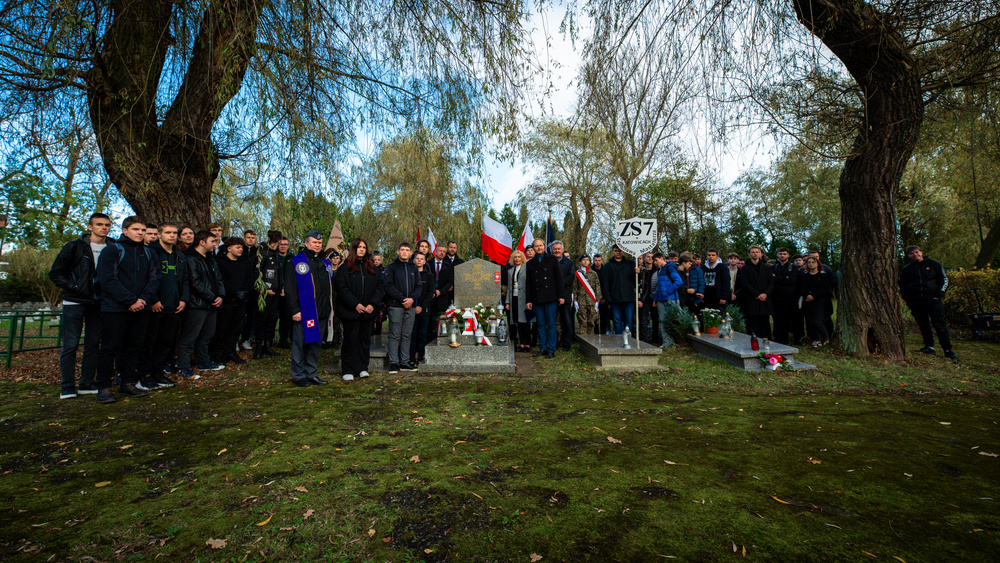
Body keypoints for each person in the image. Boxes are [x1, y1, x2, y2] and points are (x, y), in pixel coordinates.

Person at [93, 216, 160, 404]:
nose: (140, 233)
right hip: (115, 309)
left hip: (141, 309)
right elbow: (108, 280)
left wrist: (143, 300)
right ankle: (104, 386)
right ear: (125, 231)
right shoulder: (112, 250)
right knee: (109, 348)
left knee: (134, 347)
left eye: (143, 230)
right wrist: (130, 300)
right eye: (136, 229)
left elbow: (154, 279)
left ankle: (128, 382)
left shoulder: (148, 252)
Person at [49, 213, 112, 399]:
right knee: (70, 345)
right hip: (75, 302)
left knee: (93, 344)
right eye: (99, 224)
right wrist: (76, 288)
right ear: (90, 227)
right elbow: (56, 274)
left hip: (99, 303)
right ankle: (67, 386)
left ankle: (86, 382)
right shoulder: (74, 247)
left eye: (107, 225)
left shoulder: (113, 247)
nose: (104, 228)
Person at [139, 221, 188, 390]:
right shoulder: (150, 252)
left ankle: (159, 374)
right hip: (155, 305)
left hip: (174, 305)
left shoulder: (179, 256)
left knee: (166, 343)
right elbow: (145, 278)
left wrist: (183, 299)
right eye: (168, 232)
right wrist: (153, 300)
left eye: (174, 232)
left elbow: (185, 280)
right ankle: (146, 376)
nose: (172, 236)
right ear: (159, 235)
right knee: (150, 342)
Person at [285, 230, 334, 387]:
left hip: (322, 311)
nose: (317, 245)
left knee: (315, 344)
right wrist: (295, 310)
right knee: (300, 344)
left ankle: (311, 373)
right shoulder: (296, 262)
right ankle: (298, 375)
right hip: (304, 312)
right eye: (314, 242)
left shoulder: (325, 263)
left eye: (319, 243)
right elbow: (290, 289)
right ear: (306, 243)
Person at [176, 230, 225, 379]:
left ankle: (204, 362)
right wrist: (211, 297)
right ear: (202, 242)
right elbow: (194, 282)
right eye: (212, 241)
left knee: (206, 336)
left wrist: (221, 296)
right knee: (190, 337)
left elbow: (219, 279)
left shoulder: (211, 259)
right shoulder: (190, 258)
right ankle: (183, 367)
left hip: (212, 304)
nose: (215, 244)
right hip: (197, 304)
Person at [335, 238, 385, 381]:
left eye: (364, 247)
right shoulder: (345, 268)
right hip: (351, 312)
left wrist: (372, 304)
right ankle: (348, 369)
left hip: (368, 312)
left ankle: (362, 367)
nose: (362, 249)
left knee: (364, 340)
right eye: (359, 247)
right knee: (350, 340)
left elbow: (379, 287)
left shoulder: (372, 268)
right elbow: (342, 289)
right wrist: (355, 304)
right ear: (354, 249)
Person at [900, 245, 957, 359]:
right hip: (916, 302)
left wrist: (939, 294)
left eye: (916, 252)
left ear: (921, 252)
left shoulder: (933, 264)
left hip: (933, 300)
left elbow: (943, 279)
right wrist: (908, 300)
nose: (915, 255)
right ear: (908, 255)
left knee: (940, 325)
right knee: (923, 325)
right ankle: (929, 347)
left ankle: (947, 350)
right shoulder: (907, 269)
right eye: (912, 253)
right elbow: (903, 286)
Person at [212, 237, 253, 366]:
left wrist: (245, 292)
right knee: (223, 328)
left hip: (241, 302)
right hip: (227, 301)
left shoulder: (243, 263)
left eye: (241, 247)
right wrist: (235, 292)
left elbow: (249, 279)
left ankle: (231, 352)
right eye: (238, 247)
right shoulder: (221, 262)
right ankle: (219, 354)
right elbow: (221, 280)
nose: (241, 249)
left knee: (236, 328)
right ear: (229, 249)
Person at [383, 242, 421, 374]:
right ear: (398, 252)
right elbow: (388, 286)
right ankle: (393, 362)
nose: (405, 252)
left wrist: (412, 299)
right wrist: (402, 299)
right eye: (402, 250)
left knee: (406, 335)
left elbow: (418, 287)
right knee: (394, 334)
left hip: (410, 306)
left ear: (411, 253)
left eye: (407, 250)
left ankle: (404, 361)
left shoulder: (414, 269)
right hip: (396, 305)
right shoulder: (391, 268)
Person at [525, 238, 563, 359]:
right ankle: (543, 348)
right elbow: (529, 283)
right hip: (537, 298)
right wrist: (528, 300)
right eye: (536, 246)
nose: (539, 248)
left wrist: (561, 296)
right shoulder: (530, 263)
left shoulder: (552, 259)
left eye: (541, 245)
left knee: (551, 324)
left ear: (544, 246)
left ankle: (551, 349)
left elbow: (559, 279)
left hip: (551, 297)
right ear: (533, 248)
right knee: (540, 324)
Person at [251, 230, 283, 359]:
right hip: (264, 293)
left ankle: (268, 346)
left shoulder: (276, 254)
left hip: (275, 292)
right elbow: (256, 272)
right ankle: (259, 347)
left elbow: (279, 272)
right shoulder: (262, 251)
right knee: (261, 319)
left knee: (272, 319)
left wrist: (282, 287)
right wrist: (264, 289)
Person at [738, 245, 774, 338]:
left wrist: (765, 294)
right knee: (753, 322)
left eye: (757, 252)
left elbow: (771, 282)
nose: (755, 254)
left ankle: (766, 340)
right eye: (753, 252)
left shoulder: (766, 267)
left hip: (765, 299)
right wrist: (757, 294)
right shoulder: (745, 268)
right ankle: (755, 341)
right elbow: (745, 283)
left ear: (761, 254)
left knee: (765, 322)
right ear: (749, 254)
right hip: (752, 299)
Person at [603, 244, 639, 335]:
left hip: (629, 297)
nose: (618, 252)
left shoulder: (630, 264)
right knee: (617, 321)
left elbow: (637, 282)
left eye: (619, 250)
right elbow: (605, 283)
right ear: (613, 252)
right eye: (615, 251)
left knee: (628, 321)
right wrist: (608, 298)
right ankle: (618, 340)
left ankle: (629, 341)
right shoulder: (607, 266)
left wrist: (638, 273)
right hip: (615, 298)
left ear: (622, 251)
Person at [799, 255, 833, 347]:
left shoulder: (823, 275)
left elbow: (825, 288)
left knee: (817, 321)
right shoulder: (805, 276)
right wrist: (807, 295)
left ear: (818, 264)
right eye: (809, 262)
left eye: (813, 262)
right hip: (808, 300)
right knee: (810, 321)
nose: (811, 264)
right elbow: (802, 288)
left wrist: (814, 295)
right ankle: (816, 339)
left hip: (820, 301)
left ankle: (825, 338)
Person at [652, 252, 684, 347]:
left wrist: (668, 292)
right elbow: (660, 286)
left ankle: (678, 341)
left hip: (671, 299)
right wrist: (655, 298)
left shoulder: (670, 268)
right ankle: (667, 342)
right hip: (661, 300)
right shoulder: (661, 270)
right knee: (662, 320)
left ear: (662, 258)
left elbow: (678, 282)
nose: (655, 263)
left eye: (656, 260)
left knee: (675, 320)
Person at [771, 247, 800, 345]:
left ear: (788, 255)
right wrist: (785, 277)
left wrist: (779, 278)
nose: (782, 256)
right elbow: (772, 280)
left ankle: (797, 339)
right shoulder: (774, 267)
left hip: (791, 297)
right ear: (777, 255)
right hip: (778, 298)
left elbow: (793, 280)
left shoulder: (793, 267)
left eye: (784, 254)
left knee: (794, 319)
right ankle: (782, 339)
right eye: (780, 254)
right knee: (780, 319)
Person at [504, 250, 532, 351]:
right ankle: (521, 344)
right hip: (513, 299)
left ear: (522, 258)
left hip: (524, 298)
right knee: (517, 321)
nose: (517, 259)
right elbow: (509, 288)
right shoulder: (510, 271)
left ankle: (527, 344)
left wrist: (530, 299)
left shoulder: (527, 268)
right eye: (515, 257)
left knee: (525, 321)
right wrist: (507, 301)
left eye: (519, 257)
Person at [410, 251, 434, 363]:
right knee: (412, 333)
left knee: (422, 334)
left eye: (421, 258)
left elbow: (430, 293)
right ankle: (411, 357)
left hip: (424, 309)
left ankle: (421, 356)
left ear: (425, 261)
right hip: (411, 309)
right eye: (417, 258)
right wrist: (414, 306)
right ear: (414, 260)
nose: (419, 260)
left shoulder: (429, 276)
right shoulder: (410, 274)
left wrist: (421, 306)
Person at [551, 241, 576, 351]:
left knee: (566, 321)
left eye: (558, 249)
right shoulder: (549, 261)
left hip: (565, 297)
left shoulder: (569, 263)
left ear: (562, 249)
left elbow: (570, 279)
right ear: (552, 250)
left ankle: (566, 343)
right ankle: (554, 343)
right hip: (551, 297)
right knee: (552, 322)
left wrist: (558, 285)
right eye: (555, 249)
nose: (556, 251)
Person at [427, 245, 454, 345]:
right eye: (440, 251)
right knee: (427, 323)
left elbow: (449, 282)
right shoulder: (428, 264)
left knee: (438, 322)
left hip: (442, 297)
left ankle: (437, 343)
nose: (442, 253)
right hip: (428, 297)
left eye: (444, 251)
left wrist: (440, 291)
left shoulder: (448, 266)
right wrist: (432, 291)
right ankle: (426, 344)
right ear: (435, 252)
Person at [239, 229, 260, 350]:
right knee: (240, 316)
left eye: (253, 237)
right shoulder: (240, 250)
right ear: (244, 238)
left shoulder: (257, 252)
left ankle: (246, 339)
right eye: (248, 237)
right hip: (241, 286)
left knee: (251, 316)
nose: (251, 239)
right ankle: (236, 340)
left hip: (253, 288)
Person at [574, 254, 602, 336]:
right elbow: (575, 288)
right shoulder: (577, 274)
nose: (585, 261)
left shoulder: (593, 273)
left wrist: (597, 301)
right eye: (583, 260)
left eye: (587, 259)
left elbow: (597, 287)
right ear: (580, 262)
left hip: (592, 301)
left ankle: (591, 342)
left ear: (589, 262)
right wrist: (575, 300)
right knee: (583, 322)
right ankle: (583, 344)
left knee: (591, 322)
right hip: (581, 301)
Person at [700, 249, 731, 313]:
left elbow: (726, 283)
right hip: (706, 297)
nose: (711, 257)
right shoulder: (703, 268)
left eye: (713, 255)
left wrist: (724, 297)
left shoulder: (722, 268)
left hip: (718, 297)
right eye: (709, 255)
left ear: (717, 256)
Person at [637, 252, 658, 342]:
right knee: (643, 319)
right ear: (644, 258)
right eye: (648, 257)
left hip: (654, 297)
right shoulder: (641, 270)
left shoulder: (657, 269)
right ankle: (642, 337)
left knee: (655, 319)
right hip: (644, 298)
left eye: (651, 257)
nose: (650, 258)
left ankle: (655, 338)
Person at [276, 237, 293, 348]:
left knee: (286, 317)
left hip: (287, 292)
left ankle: (284, 340)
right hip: (275, 290)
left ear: (288, 246)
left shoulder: (292, 259)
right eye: (281, 244)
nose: (283, 246)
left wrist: (286, 288)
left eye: (285, 244)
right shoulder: (274, 257)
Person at [593, 253, 611, 335]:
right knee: (594, 318)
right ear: (593, 261)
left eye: (599, 260)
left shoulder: (606, 271)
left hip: (604, 299)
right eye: (596, 260)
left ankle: (604, 333)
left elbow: (607, 285)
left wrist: (604, 298)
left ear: (602, 261)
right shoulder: (590, 272)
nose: (597, 262)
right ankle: (596, 333)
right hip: (594, 299)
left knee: (604, 318)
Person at [371, 250, 388, 336]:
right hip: (371, 299)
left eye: (378, 260)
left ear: (381, 261)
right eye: (374, 260)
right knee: (370, 322)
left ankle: (378, 341)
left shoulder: (385, 271)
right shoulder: (369, 269)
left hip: (382, 300)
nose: (376, 262)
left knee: (379, 322)